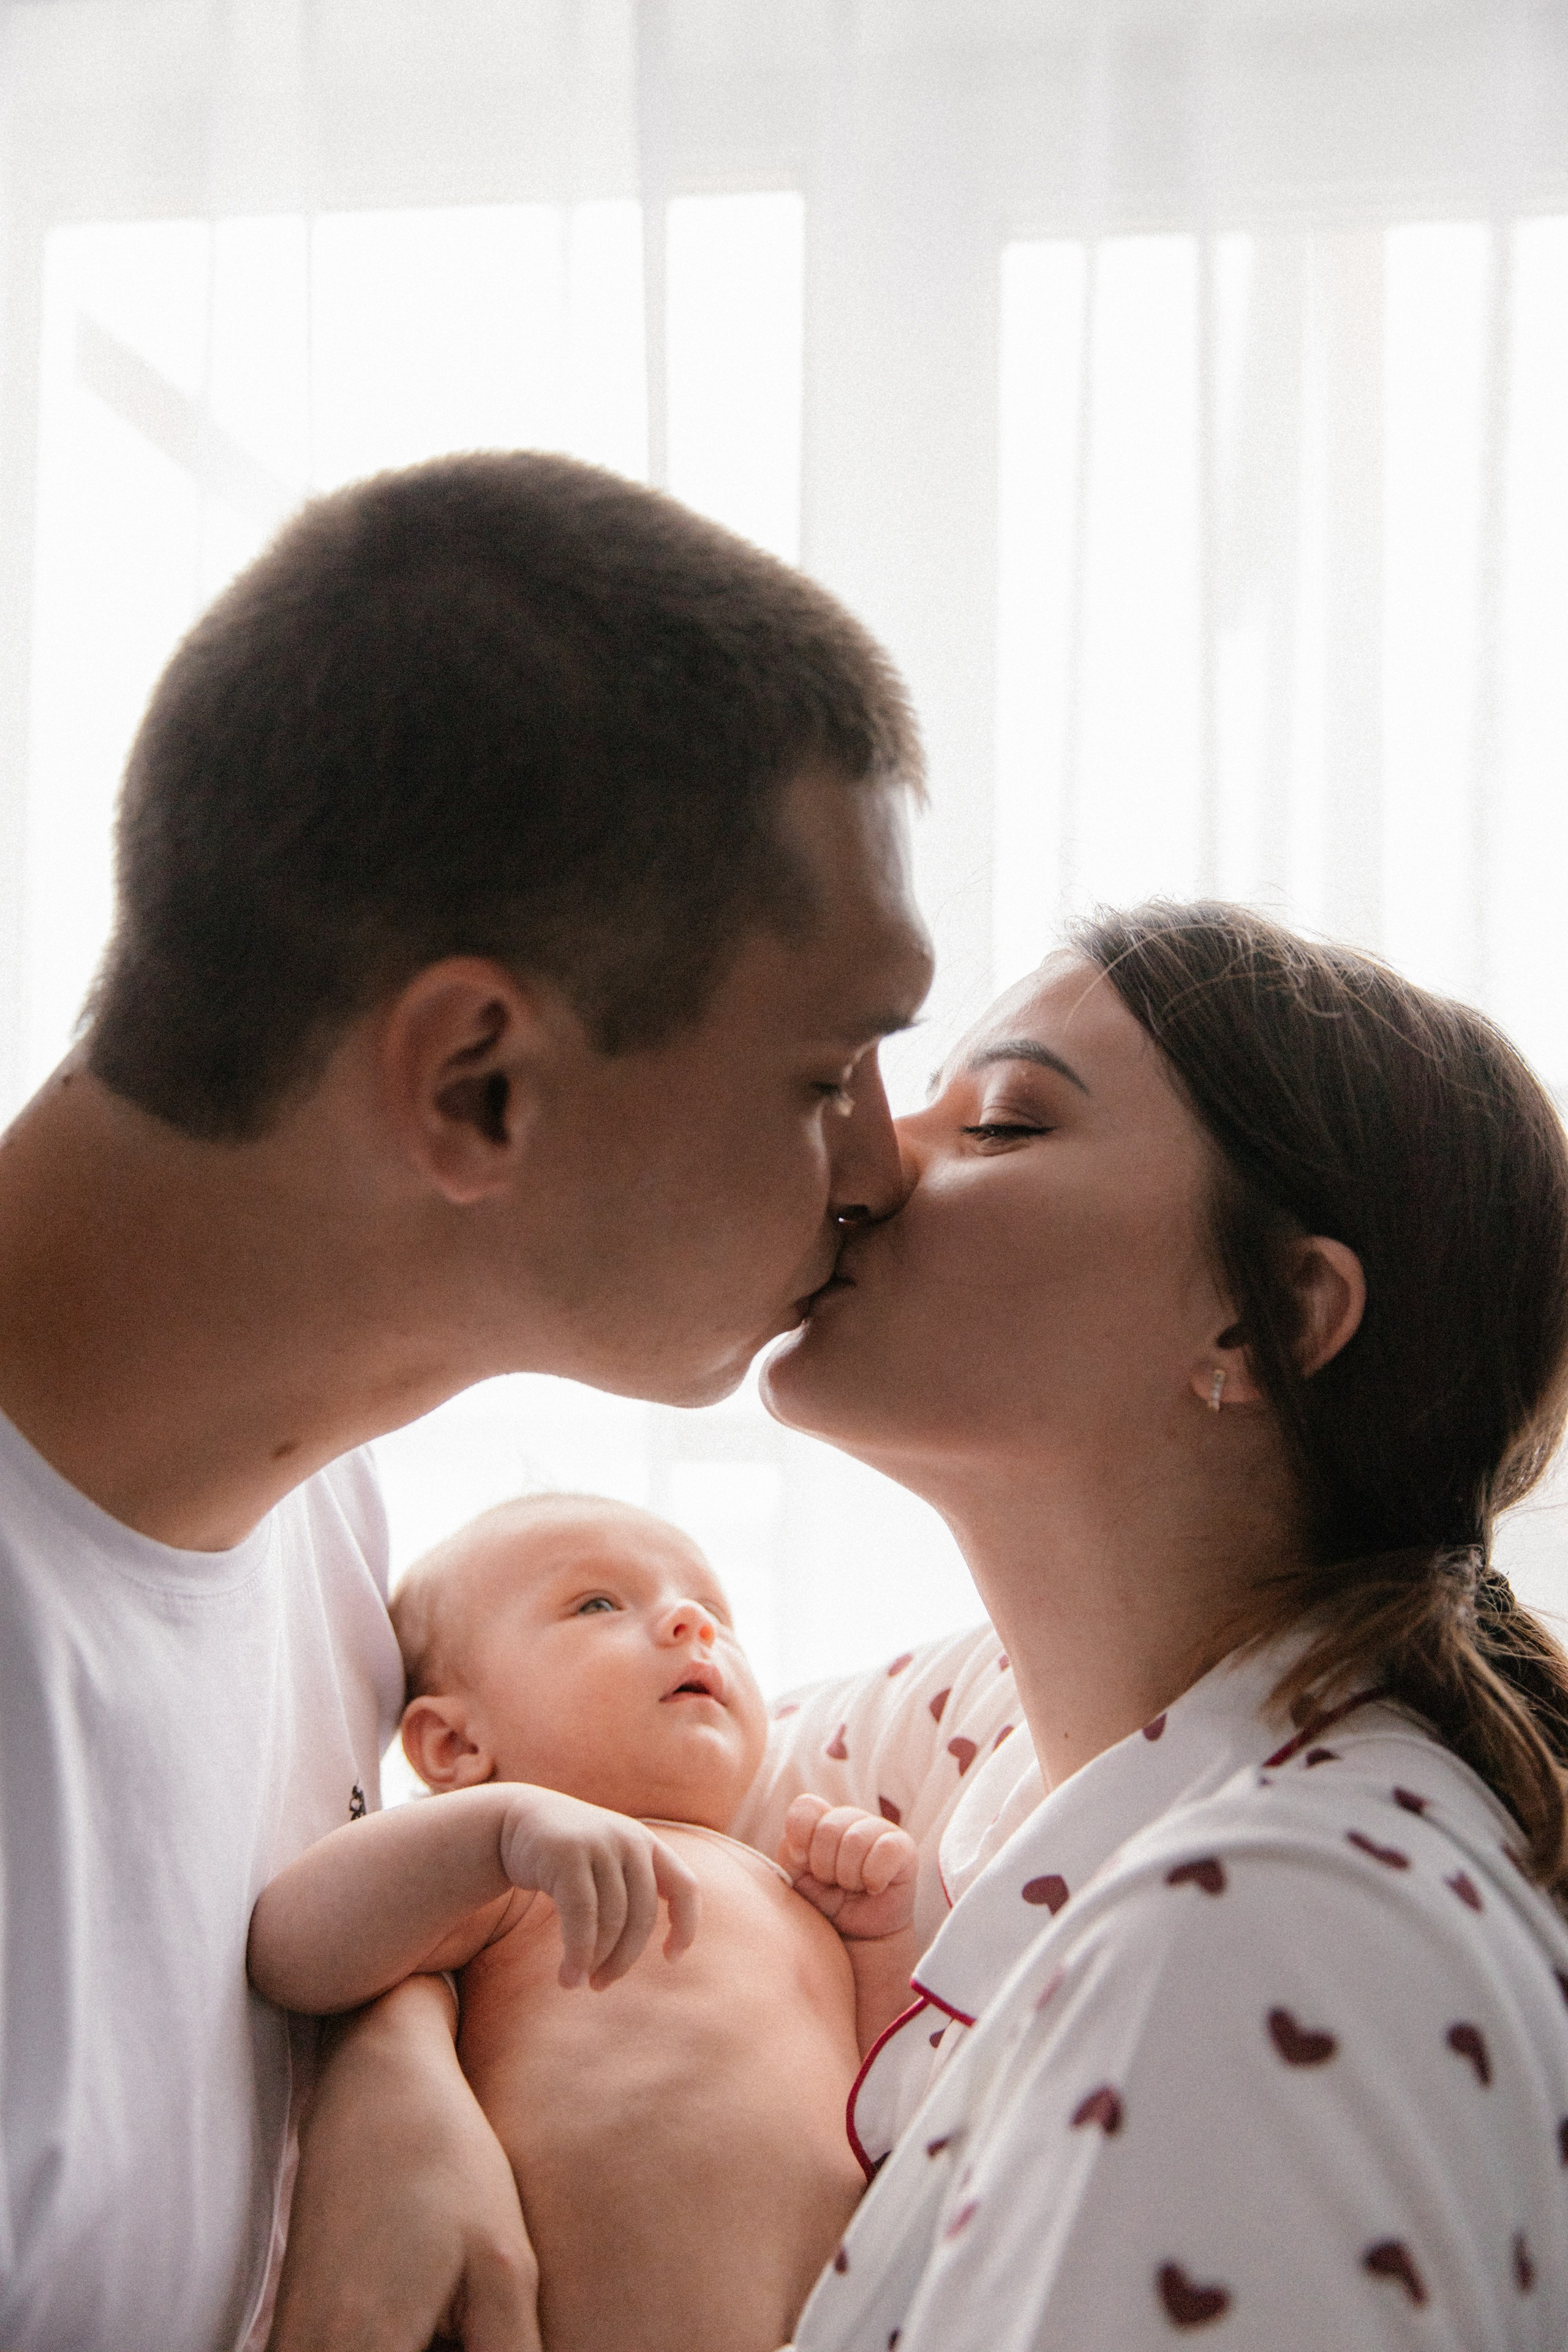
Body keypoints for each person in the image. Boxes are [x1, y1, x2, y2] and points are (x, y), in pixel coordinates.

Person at [0, 451, 933, 2352]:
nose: (888, 1168)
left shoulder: (314, 1499)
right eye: (825, 1069)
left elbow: (355, 1911)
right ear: (477, 1085)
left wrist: (387, 2070)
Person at [747, 900, 1568, 2349]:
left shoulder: (1269, 1927)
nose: (864, 1161)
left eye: (1000, 1124)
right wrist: (398, 2069)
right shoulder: (991, 1735)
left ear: (1264, 1322)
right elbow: (567, 1769)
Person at [249, 1492, 922, 2352]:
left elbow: (895, 2095)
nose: (690, 1622)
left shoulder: (787, 1886)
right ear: (455, 1746)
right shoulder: (514, 1866)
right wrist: (502, 1830)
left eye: (714, 1609)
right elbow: (292, 1949)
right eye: (598, 1603)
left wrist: (876, 1940)